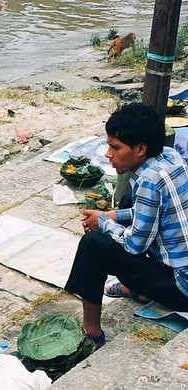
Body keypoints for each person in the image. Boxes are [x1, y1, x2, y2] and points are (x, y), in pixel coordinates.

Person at [64, 103, 188, 349]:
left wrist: (103, 223)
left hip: (182, 290)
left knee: (93, 244)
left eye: (115, 147)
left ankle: (92, 332)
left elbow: (134, 245)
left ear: (141, 149)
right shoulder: (171, 157)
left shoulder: (148, 182)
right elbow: (151, 210)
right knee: (127, 205)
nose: (108, 154)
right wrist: (114, 214)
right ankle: (138, 290)